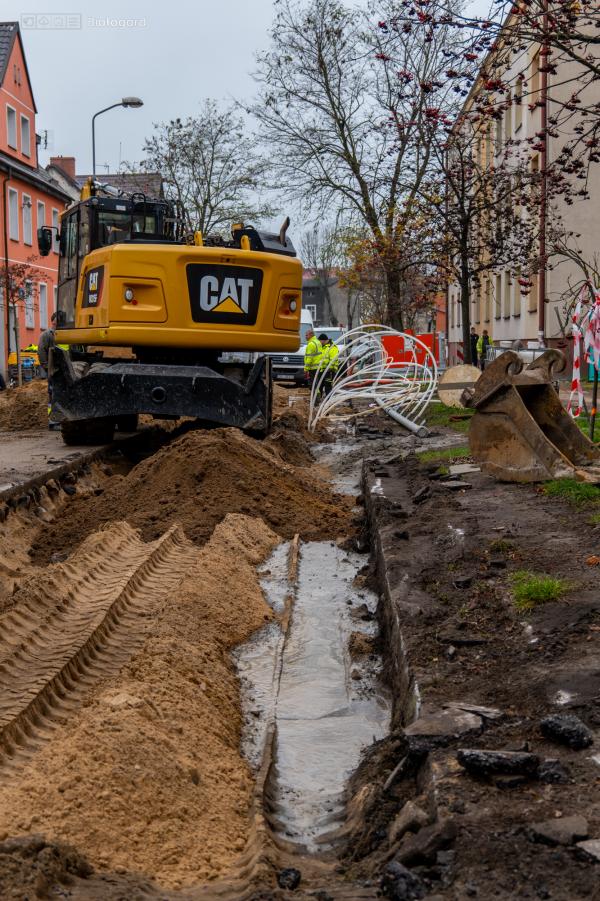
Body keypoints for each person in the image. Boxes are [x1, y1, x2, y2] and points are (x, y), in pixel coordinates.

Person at [38, 312, 60, 429]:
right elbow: (41, 352)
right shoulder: (47, 335)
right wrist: (47, 368)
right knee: (53, 395)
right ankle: (52, 421)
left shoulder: (66, 334)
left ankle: (60, 419)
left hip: (64, 371)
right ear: (53, 322)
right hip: (54, 372)